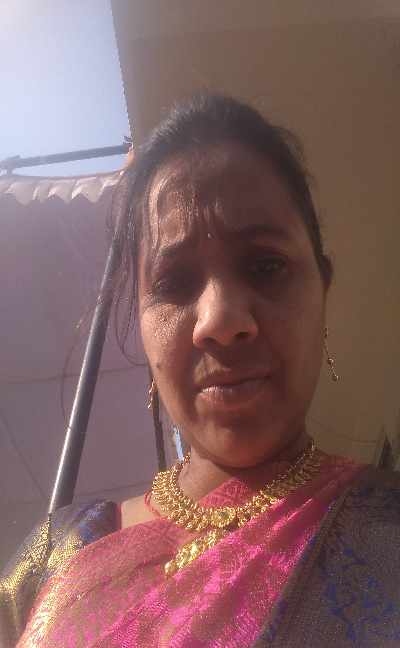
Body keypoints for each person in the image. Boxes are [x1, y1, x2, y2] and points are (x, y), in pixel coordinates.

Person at [1, 94, 399, 648]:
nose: (220, 320)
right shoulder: (53, 558)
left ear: (322, 290)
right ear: (141, 323)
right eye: (174, 283)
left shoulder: (385, 532)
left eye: (265, 266)